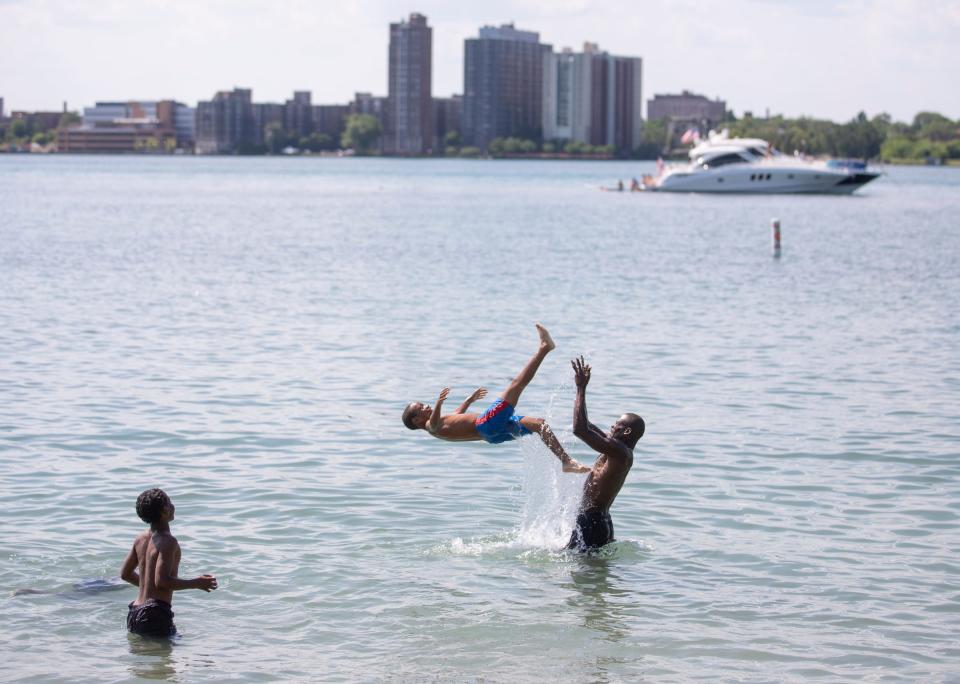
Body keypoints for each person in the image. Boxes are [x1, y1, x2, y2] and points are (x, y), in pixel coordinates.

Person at [402, 324, 588, 473]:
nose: (426, 406)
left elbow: (456, 416)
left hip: (491, 435)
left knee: (539, 424)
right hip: (485, 424)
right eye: (422, 407)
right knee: (516, 384)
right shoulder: (429, 426)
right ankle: (544, 348)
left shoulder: (439, 426)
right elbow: (433, 424)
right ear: (417, 419)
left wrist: (469, 400)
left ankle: (566, 462)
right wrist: (439, 403)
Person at [566, 356, 644, 551]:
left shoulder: (619, 452)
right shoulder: (617, 448)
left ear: (626, 432)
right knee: (588, 577)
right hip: (596, 522)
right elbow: (587, 425)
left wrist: (581, 388)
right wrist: (582, 388)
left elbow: (579, 429)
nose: (611, 426)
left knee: (579, 575)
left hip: (592, 523)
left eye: (616, 424)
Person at [120, 488, 217, 637]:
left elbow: (125, 574)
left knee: (149, 657)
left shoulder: (140, 539)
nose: (172, 506)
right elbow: (162, 582)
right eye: (170, 502)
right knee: (164, 657)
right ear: (165, 509)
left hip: (135, 611)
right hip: (154, 613)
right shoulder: (168, 541)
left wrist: (147, 585)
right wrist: (197, 583)